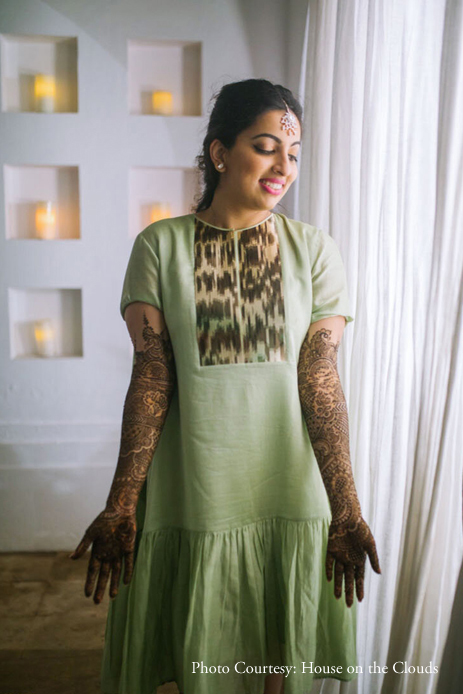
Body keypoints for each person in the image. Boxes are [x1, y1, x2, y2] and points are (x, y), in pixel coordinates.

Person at [70, 78, 381, 694]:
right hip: (196, 489)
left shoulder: (314, 250)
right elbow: (152, 376)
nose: (283, 167)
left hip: (287, 490)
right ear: (220, 152)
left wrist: (345, 507)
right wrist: (122, 502)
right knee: (202, 663)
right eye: (266, 147)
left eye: (293, 153)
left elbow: (320, 377)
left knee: (278, 663)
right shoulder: (159, 246)